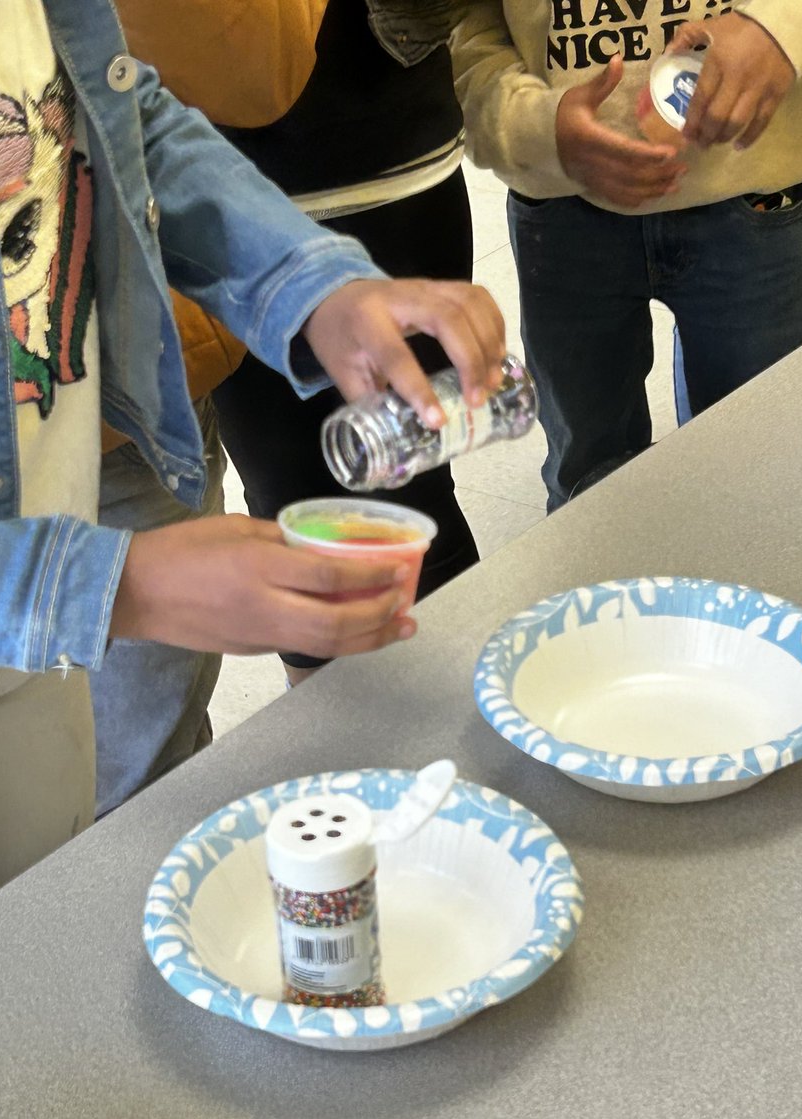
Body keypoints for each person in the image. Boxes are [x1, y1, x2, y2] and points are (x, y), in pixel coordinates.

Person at [0, 0, 507, 945]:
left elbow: (112, 114)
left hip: (41, 611)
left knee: (46, 949)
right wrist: (119, 586)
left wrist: (311, 282)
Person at [120, 0, 487, 690]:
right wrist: (117, 589)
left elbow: (128, 104)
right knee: (293, 511)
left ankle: (440, 729)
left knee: (407, 495)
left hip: (380, 161)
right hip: (226, 201)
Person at [450, 2, 802, 510]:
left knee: (762, 477)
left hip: (756, 183)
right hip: (562, 199)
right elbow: (462, 26)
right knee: (590, 485)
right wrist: (533, 125)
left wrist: (783, 24)